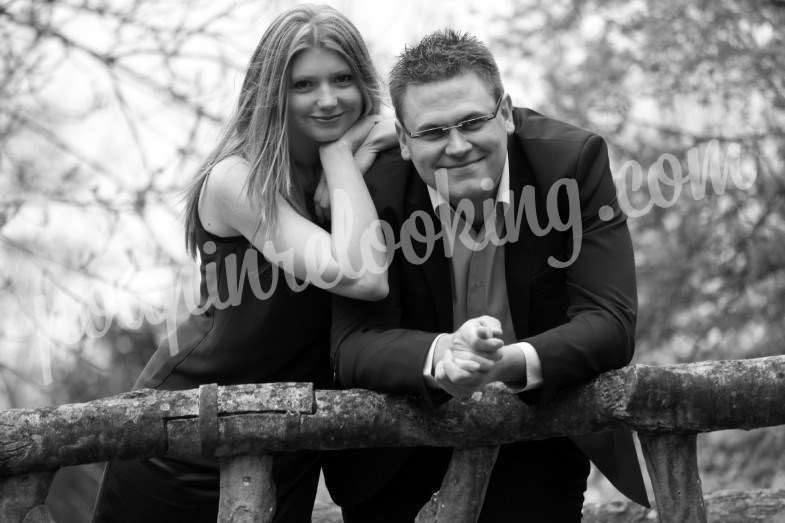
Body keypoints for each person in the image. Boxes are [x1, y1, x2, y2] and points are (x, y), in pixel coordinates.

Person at [326, 29, 649, 522]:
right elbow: (352, 343)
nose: (457, 146)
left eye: (472, 121)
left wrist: (505, 364)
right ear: (405, 142)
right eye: (433, 132)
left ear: (505, 113)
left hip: (538, 428)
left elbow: (610, 322)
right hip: (400, 442)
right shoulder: (375, 192)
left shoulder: (572, 164)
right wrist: (442, 357)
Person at [92, 5, 392, 522]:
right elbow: (363, 274)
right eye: (304, 85)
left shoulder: (364, 159)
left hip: (288, 439)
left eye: (342, 78)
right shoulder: (237, 178)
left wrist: (350, 160)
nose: (328, 100)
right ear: (272, 92)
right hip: (187, 437)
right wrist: (341, 155)